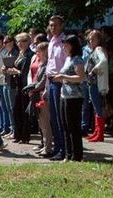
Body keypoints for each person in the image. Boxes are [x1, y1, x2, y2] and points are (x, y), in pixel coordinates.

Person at [54, 35, 86, 162]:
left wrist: (63, 76)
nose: (63, 47)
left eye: (66, 44)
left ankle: (77, 156)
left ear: (72, 45)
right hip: (64, 95)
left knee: (74, 126)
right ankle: (68, 154)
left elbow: (80, 77)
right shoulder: (68, 58)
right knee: (65, 125)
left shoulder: (77, 59)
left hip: (75, 96)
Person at [45, 15, 67, 158]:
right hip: (51, 82)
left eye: (55, 25)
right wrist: (47, 86)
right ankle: (57, 147)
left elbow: (67, 64)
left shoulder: (65, 42)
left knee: (60, 118)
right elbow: (49, 64)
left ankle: (63, 150)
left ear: (61, 26)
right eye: (51, 25)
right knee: (53, 117)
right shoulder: (51, 41)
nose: (53, 28)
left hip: (61, 82)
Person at [6, 33, 33, 143]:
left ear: (28, 42)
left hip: (25, 85)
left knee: (24, 111)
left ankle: (25, 136)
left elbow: (25, 72)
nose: (20, 44)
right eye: (18, 42)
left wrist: (15, 71)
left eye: (23, 41)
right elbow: (15, 67)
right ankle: (18, 135)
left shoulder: (30, 55)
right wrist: (9, 70)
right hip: (17, 85)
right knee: (16, 110)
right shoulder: (20, 54)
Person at [28, 42, 53, 157]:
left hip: (43, 95)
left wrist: (33, 88)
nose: (36, 53)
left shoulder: (47, 63)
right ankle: (44, 145)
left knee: (45, 122)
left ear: (44, 51)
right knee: (41, 122)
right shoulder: (42, 63)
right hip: (37, 93)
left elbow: (43, 80)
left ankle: (48, 147)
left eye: (38, 50)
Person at [84, 30, 108, 143]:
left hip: (96, 84)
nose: (90, 41)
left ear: (98, 40)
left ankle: (100, 134)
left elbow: (104, 60)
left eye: (93, 39)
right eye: (89, 39)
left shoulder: (98, 49)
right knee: (95, 108)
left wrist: (94, 69)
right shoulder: (94, 50)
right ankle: (97, 132)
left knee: (98, 108)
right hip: (92, 83)